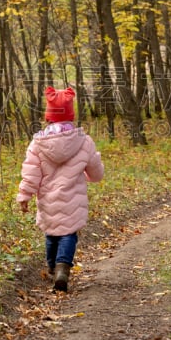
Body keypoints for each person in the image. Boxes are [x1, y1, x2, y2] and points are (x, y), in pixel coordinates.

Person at [17, 87, 105, 292]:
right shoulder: (84, 141)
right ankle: (62, 267)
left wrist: (25, 195)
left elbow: (31, 172)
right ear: (71, 115)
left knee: (51, 233)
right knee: (69, 233)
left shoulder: (37, 144)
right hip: (73, 200)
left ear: (48, 117)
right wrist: (90, 172)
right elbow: (96, 173)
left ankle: (51, 266)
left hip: (48, 199)